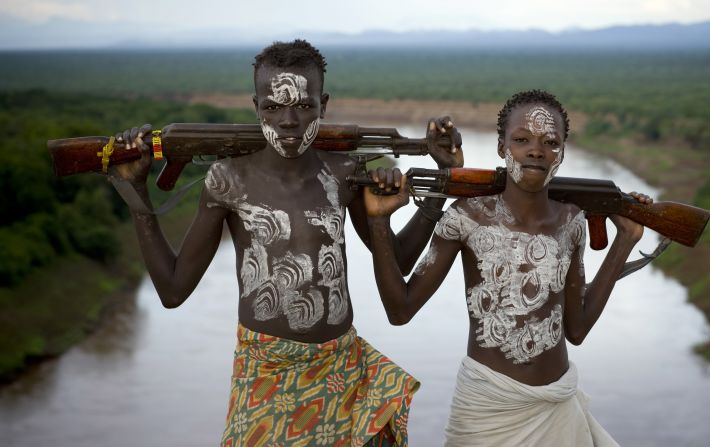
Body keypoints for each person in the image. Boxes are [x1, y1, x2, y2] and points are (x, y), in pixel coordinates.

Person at [111, 39, 463, 447]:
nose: (289, 120)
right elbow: (172, 291)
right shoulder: (228, 181)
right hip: (265, 375)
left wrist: (441, 183)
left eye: (303, 105)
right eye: (273, 107)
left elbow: (398, 260)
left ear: (323, 104)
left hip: (339, 372)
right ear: (256, 106)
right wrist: (137, 193)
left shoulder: (345, 174)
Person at [363, 89, 652, 446]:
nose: (536, 150)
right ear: (502, 147)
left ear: (562, 152)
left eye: (551, 142)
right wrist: (378, 222)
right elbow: (400, 309)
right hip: (486, 411)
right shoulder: (466, 218)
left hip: (555, 406)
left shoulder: (571, 222)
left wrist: (624, 242)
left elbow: (576, 330)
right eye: (521, 140)